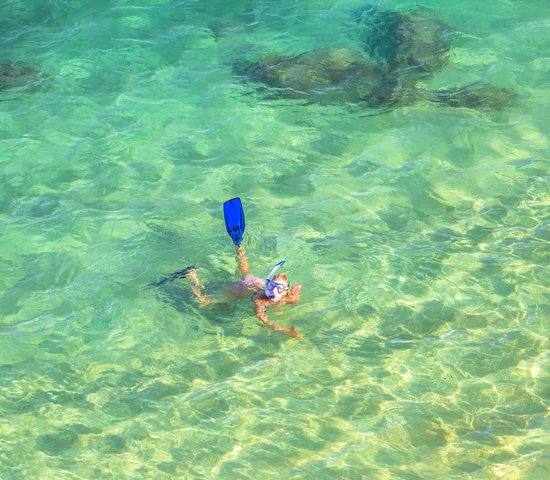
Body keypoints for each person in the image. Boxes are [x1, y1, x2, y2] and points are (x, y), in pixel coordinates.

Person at [151, 198, 304, 339]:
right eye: (271, 286)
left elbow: (296, 292)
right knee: (203, 302)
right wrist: (283, 330)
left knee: (244, 270)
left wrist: (296, 291)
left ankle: (239, 245)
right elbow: (263, 319)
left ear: (285, 292)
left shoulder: (289, 296)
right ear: (268, 284)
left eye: (278, 289)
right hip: (239, 290)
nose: (272, 291)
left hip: (252, 280)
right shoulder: (260, 300)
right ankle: (193, 277)